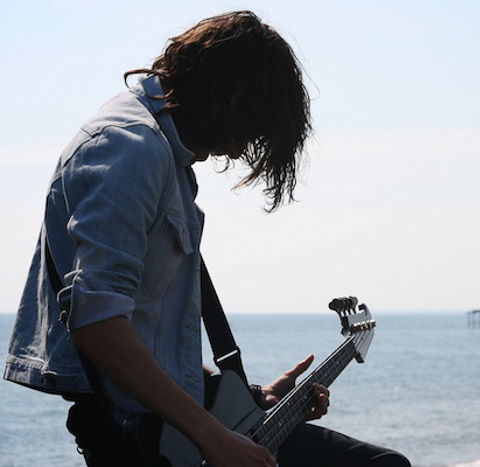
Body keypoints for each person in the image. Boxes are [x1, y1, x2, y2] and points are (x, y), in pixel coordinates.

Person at [3, 11, 410, 467]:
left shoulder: (164, 155)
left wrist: (245, 398)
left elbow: (141, 334)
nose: (248, 146)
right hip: (143, 444)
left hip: (175, 427)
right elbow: (98, 326)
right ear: (234, 96)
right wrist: (212, 437)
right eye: (258, 124)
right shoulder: (128, 148)